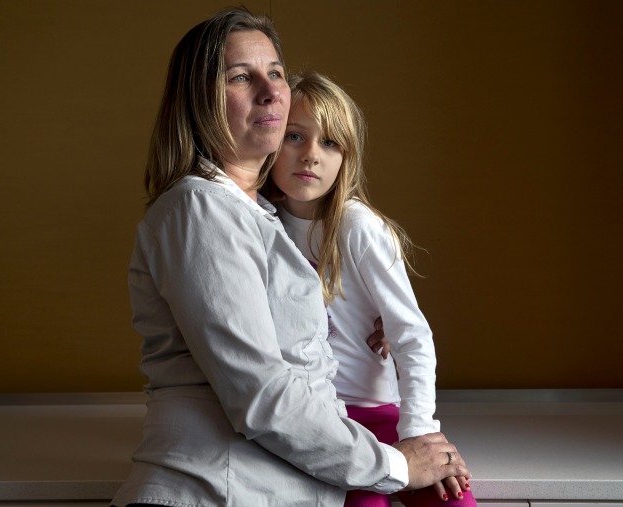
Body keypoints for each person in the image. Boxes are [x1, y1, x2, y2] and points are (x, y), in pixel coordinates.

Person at [111, 7, 469, 507]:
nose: (271, 89)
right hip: (216, 491)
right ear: (199, 100)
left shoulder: (261, 216)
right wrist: (397, 464)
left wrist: (367, 319)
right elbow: (260, 393)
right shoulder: (200, 208)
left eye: (275, 72)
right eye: (241, 76)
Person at [268, 72, 477, 507]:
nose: (310, 155)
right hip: (319, 426)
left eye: (330, 143)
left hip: (380, 414)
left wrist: (420, 432)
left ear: (347, 157)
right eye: (294, 136)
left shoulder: (356, 226)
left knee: (454, 501)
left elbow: (411, 335)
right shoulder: (259, 226)